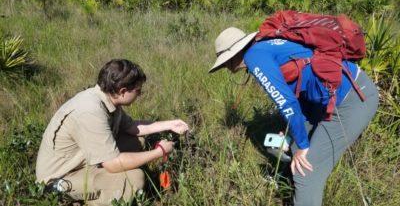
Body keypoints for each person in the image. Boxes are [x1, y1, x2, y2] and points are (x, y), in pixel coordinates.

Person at [209, 27, 378, 206]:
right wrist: (298, 138)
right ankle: (289, 180)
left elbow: (286, 102)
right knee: (280, 145)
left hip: (352, 99)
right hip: (327, 100)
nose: (226, 67)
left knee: (306, 171)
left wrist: (303, 145)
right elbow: (300, 89)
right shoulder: (265, 45)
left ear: (236, 53)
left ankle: (303, 187)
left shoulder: (254, 57)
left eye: (226, 62)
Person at [36, 59, 189, 205]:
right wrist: (159, 152)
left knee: (136, 140)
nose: (140, 95)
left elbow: (132, 128)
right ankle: (82, 200)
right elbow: (113, 164)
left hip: (82, 162)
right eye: (138, 90)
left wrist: (170, 124)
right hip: (60, 177)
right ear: (123, 91)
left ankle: (95, 188)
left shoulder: (107, 99)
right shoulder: (91, 111)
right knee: (134, 179)